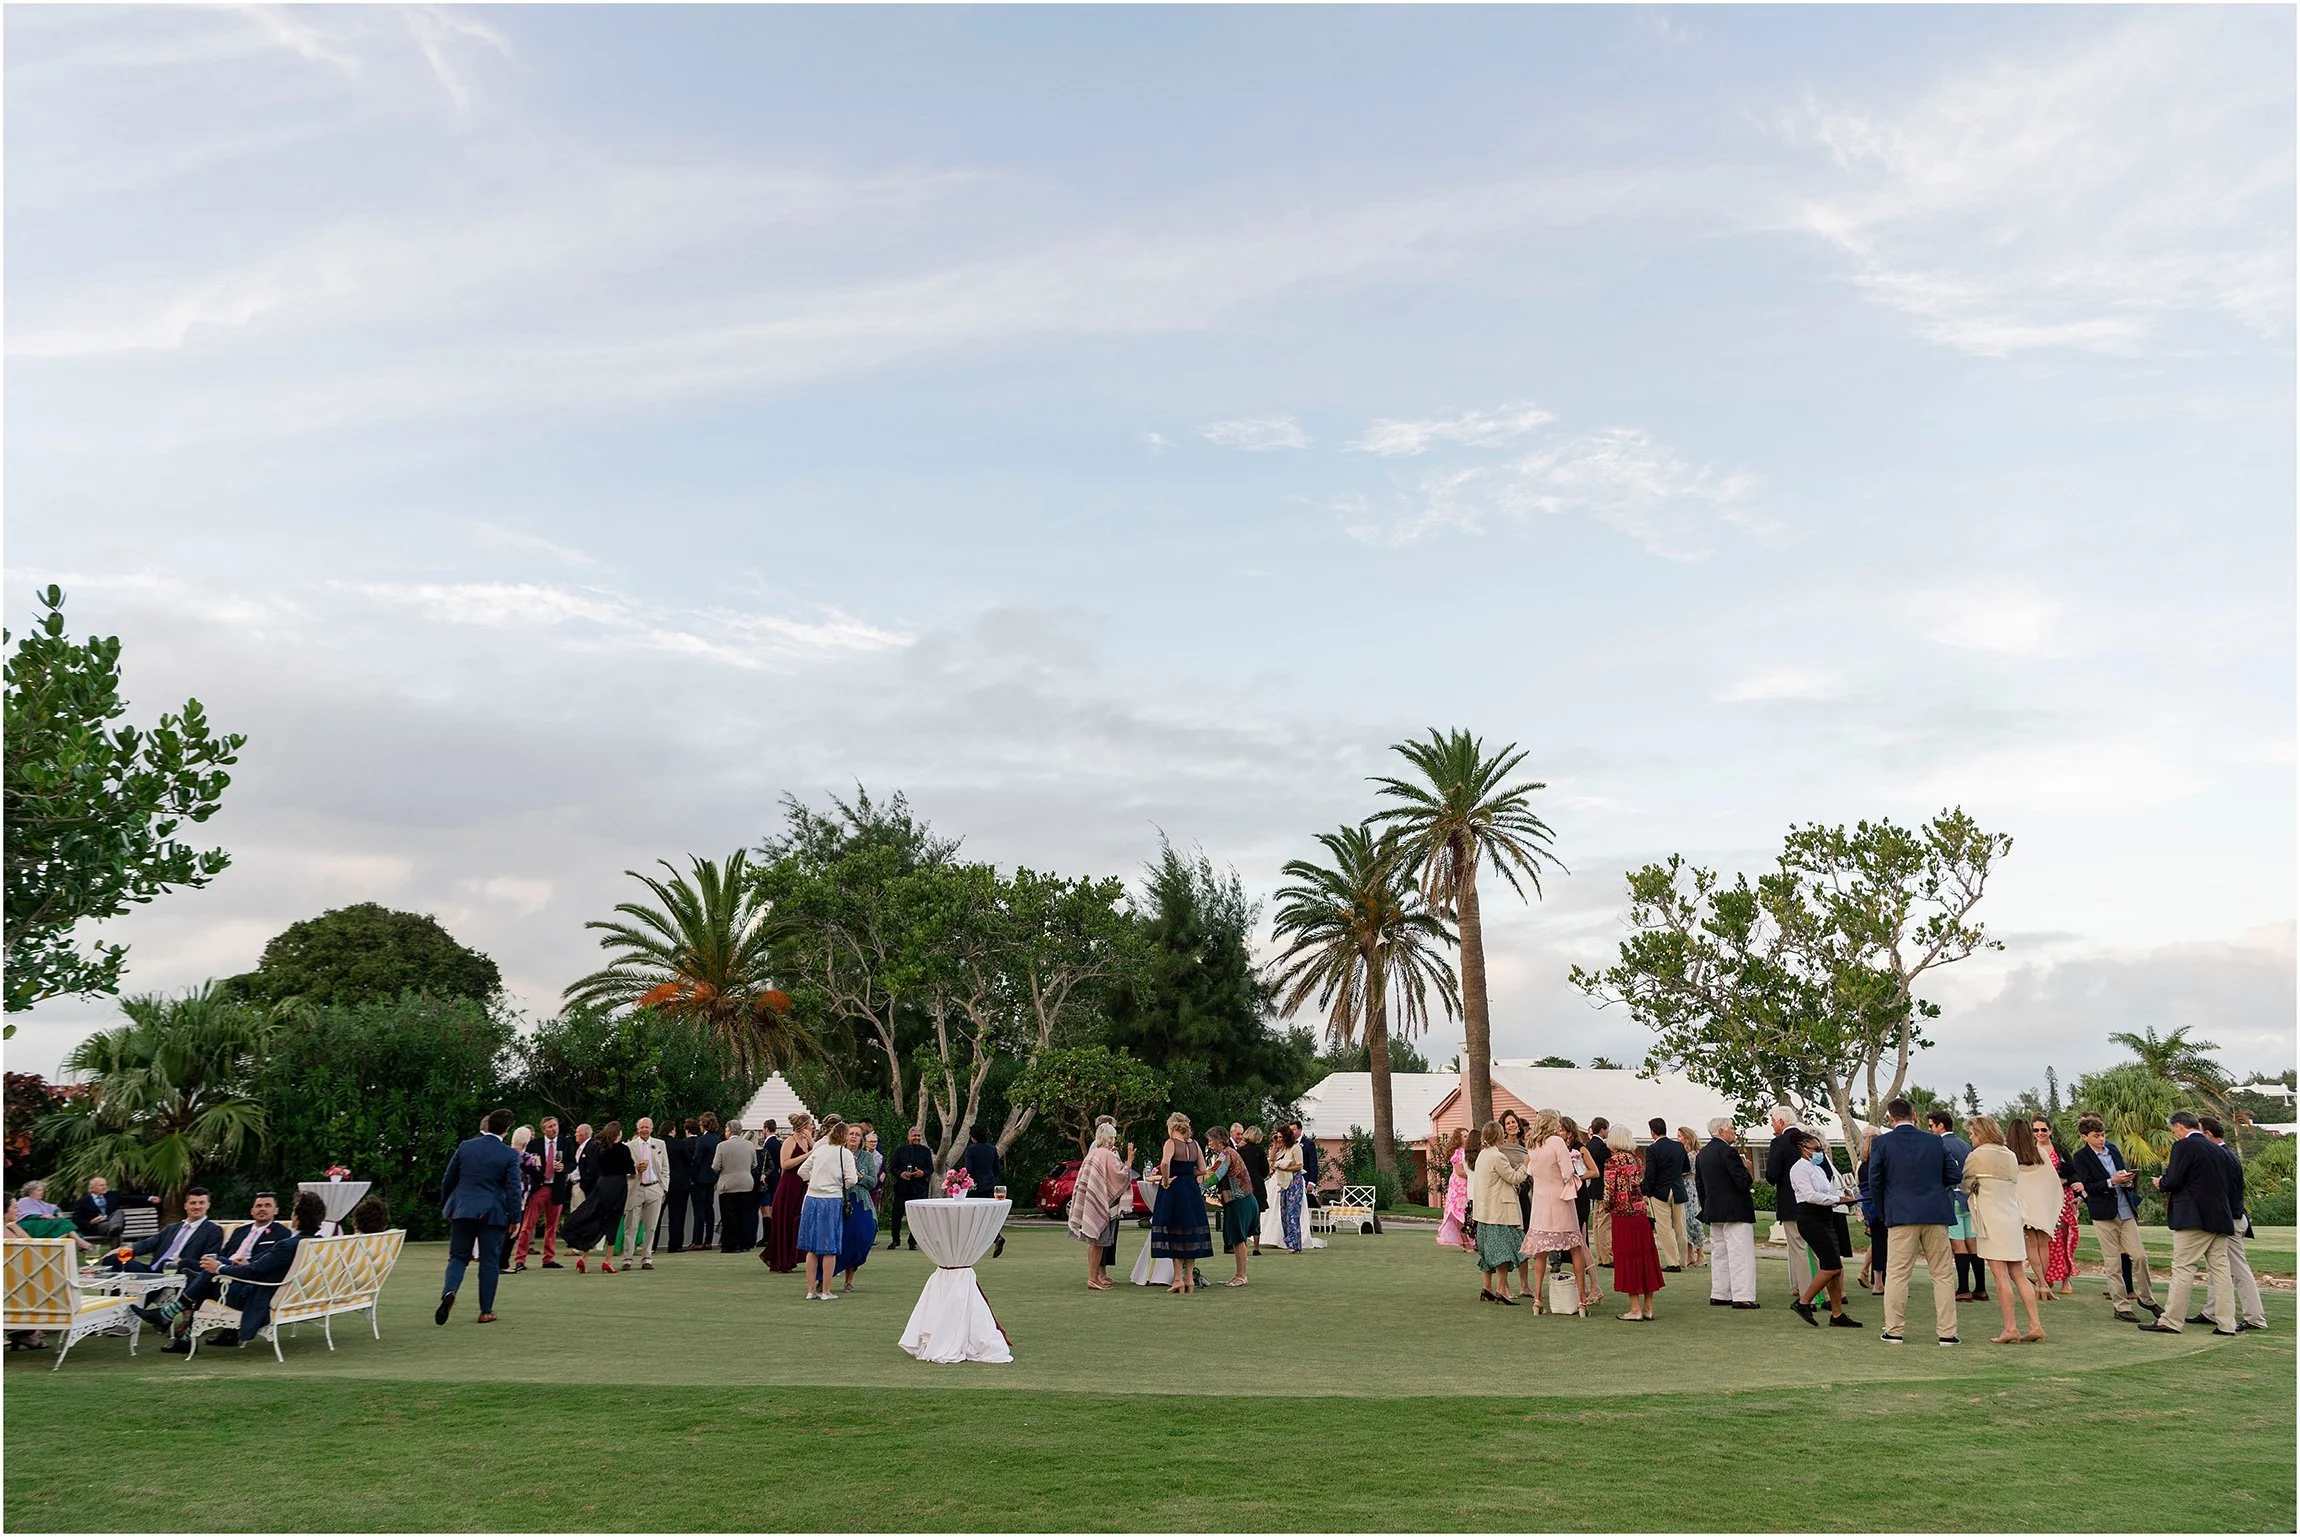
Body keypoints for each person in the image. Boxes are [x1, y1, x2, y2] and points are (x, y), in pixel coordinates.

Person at [150, 1191, 321, 1352]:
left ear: (297, 1218)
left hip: (256, 1296)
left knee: (209, 1277)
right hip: (278, 1291)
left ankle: (173, 1320)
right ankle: (177, 1326)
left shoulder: (287, 1244)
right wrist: (227, 1265)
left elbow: (254, 1272)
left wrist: (220, 1269)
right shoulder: (315, 1242)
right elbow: (264, 1264)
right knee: (212, 1271)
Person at [1866, 1095, 1963, 1346]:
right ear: (1914, 1116)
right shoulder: (1934, 1141)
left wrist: (1884, 1210)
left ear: (1890, 1117)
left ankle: (1894, 1329)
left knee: (1898, 1274)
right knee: (1942, 1274)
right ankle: (1947, 1332)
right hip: (1934, 1213)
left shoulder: (1882, 1143)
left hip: (1900, 1214)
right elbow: (1953, 1174)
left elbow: (1874, 1180)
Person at [2140, 1111, 2237, 1336]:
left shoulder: (2184, 1146)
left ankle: (2171, 1320)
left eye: (2174, 1130)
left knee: (2184, 1267)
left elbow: (2174, 1180)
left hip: (2193, 1217)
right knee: (2221, 1271)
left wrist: (2160, 1182)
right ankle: (2227, 1324)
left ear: (2181, 1127)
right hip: (2220, 1217)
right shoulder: (2219, 1150)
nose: (2174, 1134)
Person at [2067, 1113, 2159, 1321]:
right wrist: (2112, 1181)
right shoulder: (2081, 1157)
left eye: (2103, 1135)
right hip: (2103, 1212)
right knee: (2112, 1261)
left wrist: (2126, 1181)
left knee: (2140, 1256)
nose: (2101, 1139)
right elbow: (2087, 1186)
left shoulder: (2114, 1150)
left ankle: (2146, 1298)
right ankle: (2121, 1306)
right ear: (2085, 1137)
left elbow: (2123, 1173)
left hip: (2125, 1208)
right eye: (2096, 1135)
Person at [1961, 1116, 2045, 1344]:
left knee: (2000, 1277)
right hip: (2011, 1216)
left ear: (1981, 1133)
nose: (1970, 1137)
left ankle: (2010, 1328)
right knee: (2018, 1274)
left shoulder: (1976, 1156)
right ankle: (2035, 1324)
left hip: (1991, 1219)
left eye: (1972, 1133)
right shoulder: (2010, 1154)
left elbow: (1966, 1186)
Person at [437, 1108, 524, 1323]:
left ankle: (450, 1291)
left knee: (458, 1257)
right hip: (492, 1213)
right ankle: (486, 1311)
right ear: (506, 1130)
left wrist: (448, 1207)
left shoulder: (465, 1147)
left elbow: (448, 1180)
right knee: (489, 1261)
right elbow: (514, 1189)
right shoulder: (509, 1154)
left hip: (463, 1209)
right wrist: (515, 1218)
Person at [1518, 1110, 1594, 1316]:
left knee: (1541, 1253)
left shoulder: (1532, 1144)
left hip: (1541, 1203)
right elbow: (1568, 1172)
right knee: (1576, 1247)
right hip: (1560, 1200)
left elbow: (1530, 1172)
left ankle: (1537, 1299)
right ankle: (1580, 1301)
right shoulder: (1557, 1142)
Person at [1782, 1130, 1860, 1328]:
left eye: (1821, 1149)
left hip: (1825, 1217)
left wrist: (1846, 1196)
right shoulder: (1799, 1169)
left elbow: (1828, 1191)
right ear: (1803, 1149)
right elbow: (1809, 1195)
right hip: (1810, 1218)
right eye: (1816, 1149)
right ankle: (1803, 1302)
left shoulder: (1817, 1168)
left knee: (1835, 1267)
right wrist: (1837, 1199)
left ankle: (1836, 1314)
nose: (1820, 1152)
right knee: (1831, 1266)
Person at [1598, 1124, 1662, 1321]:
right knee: (1646, 1257)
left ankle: (1635, 1309)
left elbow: (1609, 1193)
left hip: (1623, 1215)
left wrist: (1606, 1207)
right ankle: (1648, 1307)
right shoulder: (1636, 1160)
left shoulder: (1612, 1162)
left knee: (1628, 1259)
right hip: (1640, 1214)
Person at [1148, 1113, 1214, 1294]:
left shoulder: (1170, 1143)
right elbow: (1202, 1169)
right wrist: (1188, 1173)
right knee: (1190, 1232)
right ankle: (1189, 1279)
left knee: (1175, 1232)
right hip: (1191, 1190)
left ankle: (1178, 1279)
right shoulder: (1194, 1145)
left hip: (1175, 1190)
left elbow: (1165, 1163)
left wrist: (1167, 1180)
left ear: (1171, 1126)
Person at [1695, 1118, 1758, 1308]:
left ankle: (1720, 1293)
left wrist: (1707, 1206)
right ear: (1721, 1131)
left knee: (1719, 1253)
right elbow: (1742, 1182)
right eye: (1732, 1128)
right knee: (1741, 1254)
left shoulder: (1703, 1154)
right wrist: (1746, 1169)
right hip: (1735, 1210)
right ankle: (1743, 1295)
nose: (1734, 1132)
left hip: (1714, 1209)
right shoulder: (1729, 1153)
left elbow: (1700, 1185)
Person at [559, 1120, 634, 1276]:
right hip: (617, 1185)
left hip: (602, 1185)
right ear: (619, 1133)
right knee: (612, 1221)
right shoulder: (623, 1149)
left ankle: (584, 1258)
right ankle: (607, 1261)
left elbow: (595, 1168)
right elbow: (630, 1169)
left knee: (594, 1218)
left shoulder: (600, 1149)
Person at [1926, 1109, 1984, 1302]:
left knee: (1958, 1244)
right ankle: (1981, 1288)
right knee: (1972, 1243)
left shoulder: (1938, 1143)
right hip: (1970, 1198)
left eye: (1931, 1126)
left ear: (1940, 1125)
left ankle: (1964, 1288)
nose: (1931, 1130)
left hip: (1952, 1197)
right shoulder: (1965, 1144)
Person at [797, 1119, 858, 1301]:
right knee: (829, 1247)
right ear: (845, 1136)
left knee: (812, 1248)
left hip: (811, 1199)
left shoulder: (819, 1150)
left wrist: (814, 1181)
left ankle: (810, 1290)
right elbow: (852, 1180)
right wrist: (839, 1184)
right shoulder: (845, 1153)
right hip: (831, 1200)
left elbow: (802, 1171)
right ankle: (826, 1290)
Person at [1469, 1120, 1529, 1304]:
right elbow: (1514, 1178)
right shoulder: (1497, 1156)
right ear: (1497, 1135)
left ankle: (1486, 1288)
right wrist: (1526, 1164)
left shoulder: (1483, 1155)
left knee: (1488, 1253)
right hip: (1499, 1212)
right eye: (1502, 1132)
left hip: (1484, 1212)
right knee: (1504, 1252)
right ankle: (1501, 1289)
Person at [1068, 1123, 1134, 1289]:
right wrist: (1129, 1161)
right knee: (1098, 1242)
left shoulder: (1094, 1153)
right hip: (1100, 1203)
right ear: (1110, 1138)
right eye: (1113, 1137)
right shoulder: (1108, 1155)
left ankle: (1095, 1276)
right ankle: (1093, 1278)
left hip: (1093, 1199)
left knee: (1093, 1241)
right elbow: (1121, 1176)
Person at [100, 1187, 224, 1275]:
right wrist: (123, 1249)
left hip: (175, 1273)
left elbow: (208, 1261)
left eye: (201, 1203)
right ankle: (113, 1304)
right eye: (193, 1203)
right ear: (185, 1206)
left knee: (167, 1262)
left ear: (208, 1205)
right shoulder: (172, 1228)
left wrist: (183, 1262)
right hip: (152, 1271)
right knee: (114, 1258)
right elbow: (147, 1244)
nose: (197, 1206)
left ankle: (132, 1304)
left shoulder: (213, 1230)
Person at [2007, 1118, 2062, 1307]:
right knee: (2042, 1245)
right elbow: (2052, 1182)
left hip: (2024, 1207)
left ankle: (2042, 1283)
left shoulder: (2009, 1156)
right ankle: (2042, 1283)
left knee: (2032, 1245)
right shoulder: (2040, 1154)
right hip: (2040, 1206)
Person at [1764, 1106, 1812, 1300]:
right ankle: (1823, 1292)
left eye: (1773, 1121)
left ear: (1782, 1122)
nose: (1772, 1125)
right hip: (1812, 1201)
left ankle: (1807, 1293)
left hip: (1791, 1202)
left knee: (1798, 1248)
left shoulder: (1779, 1142)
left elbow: (1772, 1175)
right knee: (1814, 1247)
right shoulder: (1809, 1140)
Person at [515, 1115, 572, 1271]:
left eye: (555, 1125)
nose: (554, 1129)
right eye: (550, 1126)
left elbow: (573, 1162)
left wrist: (564, 1168)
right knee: (528, 1225)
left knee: (552, 1227)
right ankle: (520, 1259)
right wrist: (536, 1172)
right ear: (543, 1130)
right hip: (539, 1188)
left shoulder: (565, 1143)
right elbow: (525, 1165)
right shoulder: (534, 1145)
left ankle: (549, 1258)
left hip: (557, 1188)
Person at [1205, 1126, 1259, 1287]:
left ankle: (1241, 1276)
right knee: (1239, 1239)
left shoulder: (1227, 1154)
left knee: (1238, 1239)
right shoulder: (1229, 1153)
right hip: (1245, 1199)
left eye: (1210, 1140)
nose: (1208, 1144)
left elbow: (1214, 1176)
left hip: (1239, 1200)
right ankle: (1239, 1274)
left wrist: (1196, 1186)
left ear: (1218, 1141)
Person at [1639, 1117, 1691, 1271]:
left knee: (1665, 1228)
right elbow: (1686, 1167)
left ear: (1652, 1132)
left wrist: (1644, 1190)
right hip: (1677, 1189)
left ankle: (1673, 1262)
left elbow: (1650, 1174)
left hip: (1659, 1192)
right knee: (1680, 1227)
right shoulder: (1678, 1147)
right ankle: (1683, 1260)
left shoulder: (1652, 1149)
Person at [837, 1128, 884, 1292]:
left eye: (857, 1134)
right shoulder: (837, 1154)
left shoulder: (867, 1157)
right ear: (845, 1136)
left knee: (860, 1238)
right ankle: (824, 1278)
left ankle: (849, 1280)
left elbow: (873, 1182)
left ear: (862, 1139)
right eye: (851, 1133)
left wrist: (860, 1176)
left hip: (861, 1202)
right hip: (839, 1200)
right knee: (838, 1239)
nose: (854, 1136)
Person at [620, 1116, 669, 1270]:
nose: (644, 1130)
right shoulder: (629, 1146)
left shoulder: (660, 1144)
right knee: (631, 1225)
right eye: (642, 1127)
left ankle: (647, 1258)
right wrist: (635, 1170)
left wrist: (663, 1188)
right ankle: (627, 1258)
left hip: (655, 1188)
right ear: (638, 1129)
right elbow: (623, 1170)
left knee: (651, 1226)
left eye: (647, 1127)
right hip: (636, 1188)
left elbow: (665, 1168)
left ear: (652, 1129)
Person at [888, 1126, 934, 1251]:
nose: (916, 1138)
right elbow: (893, 1167)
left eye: (918, 1136)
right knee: (896, 1215)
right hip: (902, 1188)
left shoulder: (925, 1151)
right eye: (914, 1136)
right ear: (908, 1137)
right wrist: (901, 1174)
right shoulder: (900, 1150)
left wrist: (922, 1173)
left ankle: (912, 1241)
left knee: (917, 1217)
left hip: (918, 1189)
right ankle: (895, 1240)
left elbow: (930, 1168)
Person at [712, 1121, 755, 1252]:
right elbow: (754, 1164)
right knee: (744, 1215)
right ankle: (744, 1244)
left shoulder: (722, 1146)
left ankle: (731, 1244)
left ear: (729, 1130)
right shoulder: (749, 1145)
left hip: (728, 1184)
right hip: (746, 1183)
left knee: (729, 1216)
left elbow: (715, 1166)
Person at [73, 1176, 160, 1239]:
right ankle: (115, 1233)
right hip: (97, 1226)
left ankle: (115, 1229)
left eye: (105, 1185)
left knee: (118, 1212)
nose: (105, 1187)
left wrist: (150, 1198)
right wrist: (90, 1222)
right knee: (114, 1229)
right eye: (101, 1185)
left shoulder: (112, 1195)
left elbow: (130, 1199)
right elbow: (76, 1220)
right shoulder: (83, 1202)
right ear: (92, 1188)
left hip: (113, 1222)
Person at [1433, 1128, 1473, 1252]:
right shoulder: (1457, 1152)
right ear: (1459, 1138)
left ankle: (1472, 1240)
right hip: (1459, 1187)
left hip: (1468, 1185)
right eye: (1465, 1136)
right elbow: (1460, 1172)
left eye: (1468, 1136)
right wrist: (1473, 1175)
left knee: (1469, 1213)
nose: (1467, 1138)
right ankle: (1466, 1242)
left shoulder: (1468, 1152)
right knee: (1460, 1214)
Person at [1269, 1124, 1307, 1253]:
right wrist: (1275, 1143)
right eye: (1277, 1137)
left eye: (1280, 1137)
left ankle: (1295, 1245)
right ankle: (1289, 1242)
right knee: (1284, 1214)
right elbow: (1272, 1159)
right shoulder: (1282, 1149)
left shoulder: (1295, 1148)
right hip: (1284, 1183)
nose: (1279, 1139)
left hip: (1294, 1182)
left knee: (1292, 1214)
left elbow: (1299, 1166)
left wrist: (1284, 1168)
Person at [1675, 1127, 1708, 1267]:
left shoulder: (1693, 1155)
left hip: (1691, 1188)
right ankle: (1689, 1255)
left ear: (1687, 1138)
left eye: (1679, 1136)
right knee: (1685, 1222)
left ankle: (1701, 1254)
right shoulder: (1683, 1153)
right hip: (1683, 1187)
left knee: (1693, 1220)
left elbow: (1687, 1170)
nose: (1677, 1138)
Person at [690, 1113, 722, 1251]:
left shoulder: (701, 1140)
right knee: (710, 1209)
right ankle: (708, 1240)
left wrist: (692, 1177)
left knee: (699, 1210)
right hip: (713, 1178)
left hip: (700, 1179)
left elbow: (697, 1160)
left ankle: (697, 1241)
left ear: (704, 1125)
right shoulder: (718, 1140)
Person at [1585, 1118, 1614, 1266]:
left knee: (1597, 1222)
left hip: (1594, 1188)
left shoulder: (1589, 1145)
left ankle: (1600, 1257)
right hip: (1603, 1187)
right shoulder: (1602, 1147)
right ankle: (1607, 1257)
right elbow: (1611, 1164)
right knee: (1604, 1223)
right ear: (1602, 1130)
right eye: (1607, 1129)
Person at [1238, 1127, 1271, 1255]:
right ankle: (1256, 1247)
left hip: (1243, 1185)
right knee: (1256, 1217)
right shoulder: (1260, 1151)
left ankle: (1243, 1245)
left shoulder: (1240, 1151)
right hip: (1257, 1185)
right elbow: (1265, 1171)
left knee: (1244, 1216)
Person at [663, 1118, 693, 1253]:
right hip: (679, 1184)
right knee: (677, 1216)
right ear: (672, 1130)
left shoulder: (657, 1144)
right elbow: (689, 1161)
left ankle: (651, 1245)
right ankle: (675, 1245)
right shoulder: (680, 1144)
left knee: (655, 1217)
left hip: (661, 1184)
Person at [568, 1122, 595, 1212]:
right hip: (575, 1185)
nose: (575, 1134)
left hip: (582, 1186)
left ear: (585, 1134)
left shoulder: (592, 1146)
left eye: (577, 1132)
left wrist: (585, 1185)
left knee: (580, 1213)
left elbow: (592, 1168)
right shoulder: (580, 1148)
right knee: (574, 1213)